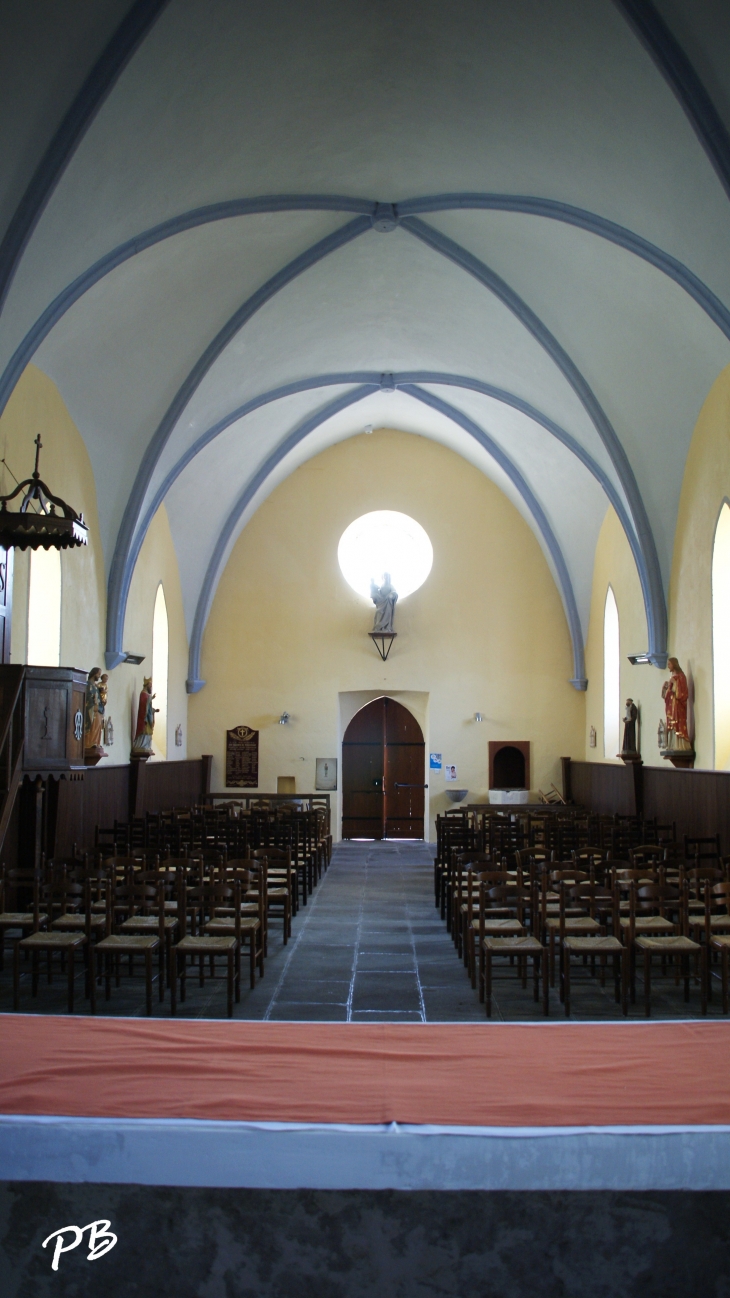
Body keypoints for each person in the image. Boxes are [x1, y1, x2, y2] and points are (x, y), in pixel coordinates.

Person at [661, 657, 692, 750]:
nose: (668, 666)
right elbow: (666, 696)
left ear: (674, 664)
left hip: (678, 707)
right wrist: (665, 688)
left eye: (669, 664)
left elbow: (683, 694)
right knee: (671, 724)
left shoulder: (681, 677)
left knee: (678, 724)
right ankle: (673, 744)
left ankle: (681, 745)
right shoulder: (672, 677)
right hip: (671, 706)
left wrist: (675, 684)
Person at [131, 676, 158, 757]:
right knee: (144, 731)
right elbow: (144, 705)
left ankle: (146, 746)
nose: (151, 687)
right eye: (150, 685)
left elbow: (148, 707)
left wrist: (154, 711)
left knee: (148, 732)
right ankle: (141, 745)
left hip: (147, 716)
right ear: (146, 685)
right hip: (144, 718)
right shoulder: (143, 693)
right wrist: (150, 698)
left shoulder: (147, 695)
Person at [84, 667, 106, 757]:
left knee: (98, 725)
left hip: (98, 709)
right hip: (92, 709)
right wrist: (94, 704)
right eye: (98, 674)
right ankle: (89, 742)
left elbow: (99, 698)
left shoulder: (96, 686)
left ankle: (96, 742)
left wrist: (102, 696)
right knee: (93, 724)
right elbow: (88, 697)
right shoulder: (88, 684)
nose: (99, 676)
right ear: (94, 674)